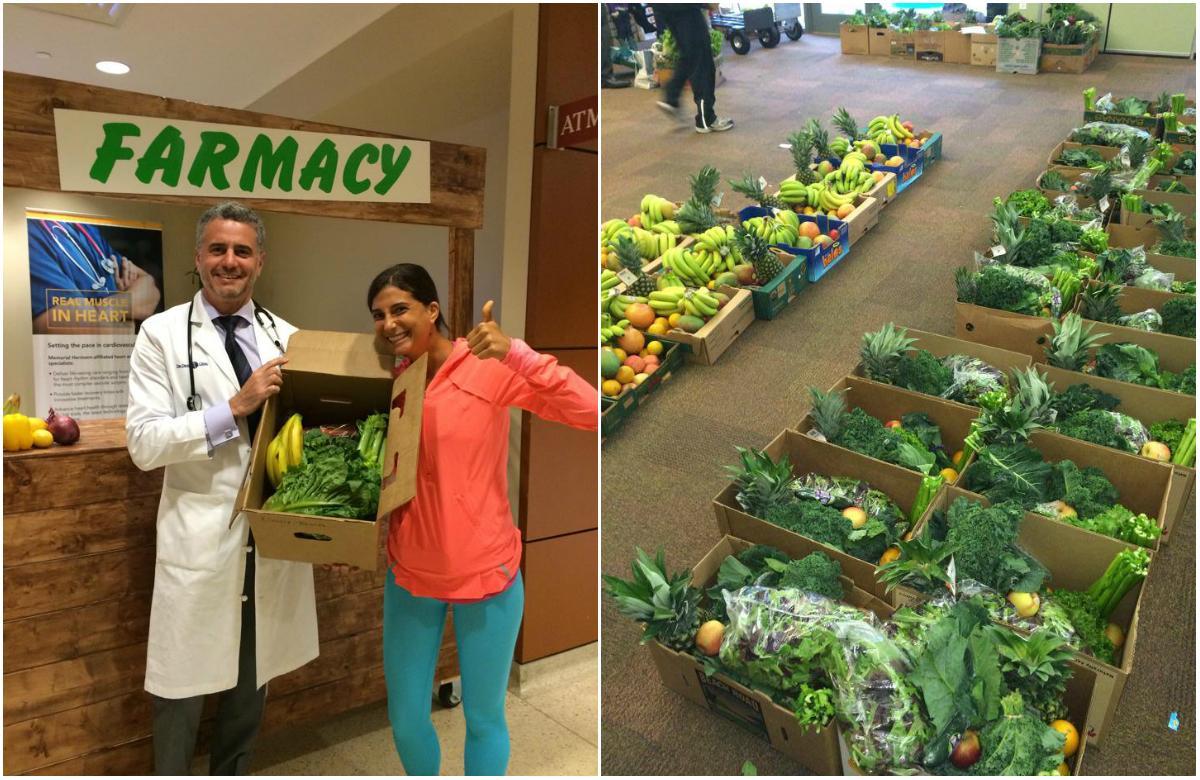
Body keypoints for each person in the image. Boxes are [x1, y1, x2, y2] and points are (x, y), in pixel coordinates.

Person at [365, 264, 596, 775]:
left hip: (488, 573)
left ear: (432, 309)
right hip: (411, 573)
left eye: (400, 308)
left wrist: (517, 352)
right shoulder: (391, 376)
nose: (389, 323)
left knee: (485, 717)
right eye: (379, 314)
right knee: (404, 720)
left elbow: (588, 409)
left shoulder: (485, 365)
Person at [126, 201, 318, 775]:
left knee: (250, 679)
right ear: (198, 258)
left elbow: (302, 434)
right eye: (217, 249)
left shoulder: (287, 336)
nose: (228, 261)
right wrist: (233, 408)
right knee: (180, 688)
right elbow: (144, 443)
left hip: (270, 535)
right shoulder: (160, 335)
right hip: (201, 536)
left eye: (241, 251)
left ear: (259, 261)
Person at [28, 218, 162, 333]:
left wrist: (104, 310)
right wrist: (128, 315)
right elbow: (82, 334)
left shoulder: (86, 228)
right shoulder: (32, 236)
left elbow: (150, 288)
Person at [651, 3, 733, 133]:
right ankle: (706, 119)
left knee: (690, 54)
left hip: (664, 7)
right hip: (684, 8)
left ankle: (671, 96)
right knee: (702, 61)